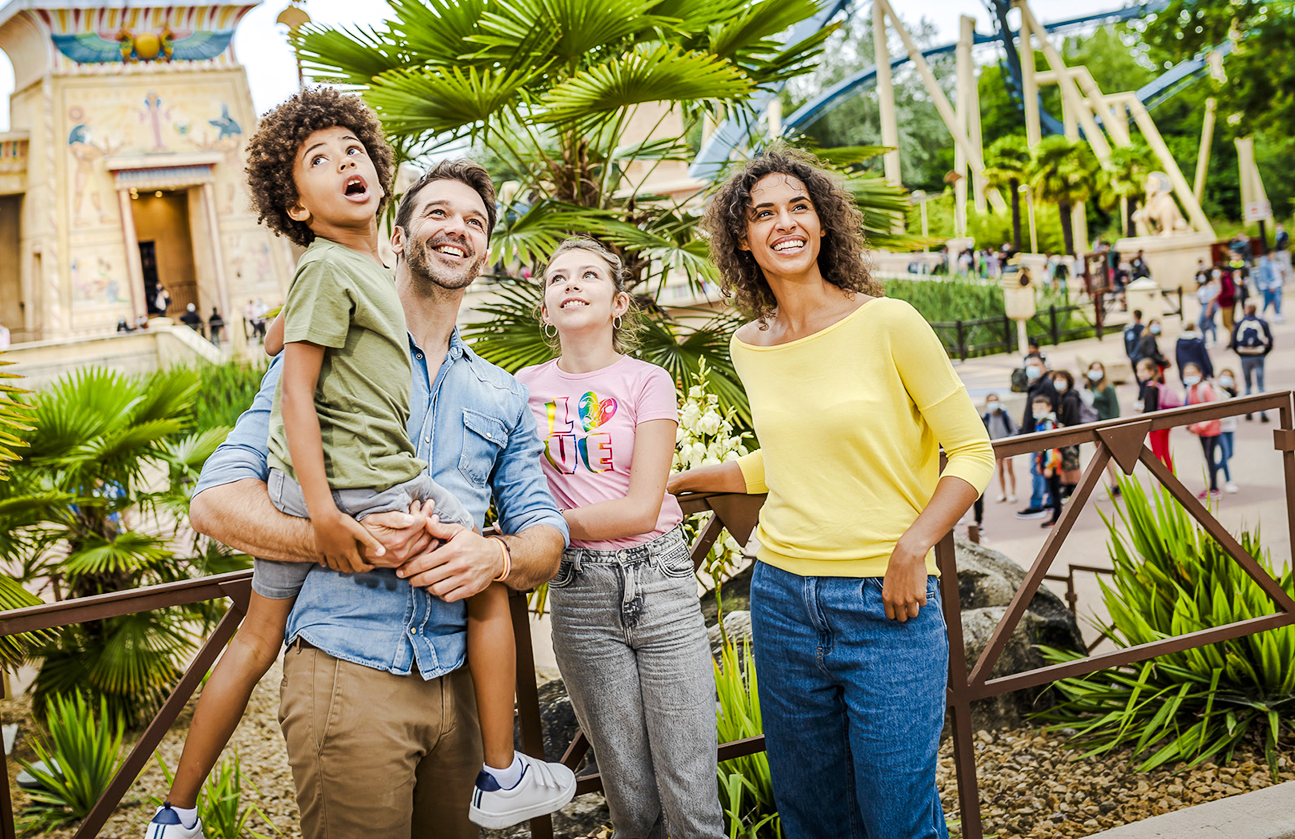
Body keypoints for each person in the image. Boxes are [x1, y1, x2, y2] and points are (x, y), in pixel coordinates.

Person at [181, 148, 572, 839]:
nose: (458, 228)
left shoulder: (504, 394)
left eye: (475, 221)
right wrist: (337, 541)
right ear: (398, 236)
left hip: (463, 683)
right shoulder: (324, 350)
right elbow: (215, 500)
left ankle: (506, 777)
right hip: (349, 669)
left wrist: (495, 558)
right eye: (439, 213)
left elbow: (544, 530)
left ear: (484, 251)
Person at [669, 148, 995, 839]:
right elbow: (792, 455)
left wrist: (915, 546)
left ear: (823, 225)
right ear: (741, 238)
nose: (783, 224)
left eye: (798, 207)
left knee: (897, 821)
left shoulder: (889, 323)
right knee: (813, 819)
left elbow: (971, 450)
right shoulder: (748, 345)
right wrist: (701, 479)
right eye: (763, 214)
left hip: (887, 603)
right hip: (783, 599)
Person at [518, 237, 721, 838]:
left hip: (659, 582)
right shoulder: (517, 389)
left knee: (692, 801)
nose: (571, 285)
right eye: (557, 278)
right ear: (546, 307)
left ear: (619, 303)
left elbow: (639, 508)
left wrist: (540, 531)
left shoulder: (647, 381)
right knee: (630, 802)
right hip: (580, 596)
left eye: (588, 276)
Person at [1016, 354, 1057, 518]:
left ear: (1044, 367)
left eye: (1035, 364)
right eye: (1029, 365)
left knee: (1037, 467)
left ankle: (1037, 504)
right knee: (1039, 468)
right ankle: (1046, 500)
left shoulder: (1046, 384)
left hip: (1041, 432)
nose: (1031, 368)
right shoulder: (1034, 384)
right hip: (1035, 431)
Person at [1183, 364, 1233, 496]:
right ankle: (1213, 485)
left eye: (1192, 373)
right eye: (1186, 374)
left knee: (1210, 457)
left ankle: (1214, 488)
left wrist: (1199, 426)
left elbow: (1213, 410)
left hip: (1212, 429)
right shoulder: (1190, 389)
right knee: (1207, 457)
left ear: (1199, 373)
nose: (1189, 376)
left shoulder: (1204, 388)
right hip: (1201, 430)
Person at [1229, 301, 1274, 422]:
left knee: (1248, 384)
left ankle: (1248, 411)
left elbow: (1233, 342)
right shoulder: (1262, 322)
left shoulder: (1239, 323)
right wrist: (1264, 353)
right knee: (1260, 385)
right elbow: (1270, 340)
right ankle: (1263, 412)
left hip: (1245, 357)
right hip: (1259, 355)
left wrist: (1240, 353)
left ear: (1246, 310)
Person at [1027, 394, 1067, 529]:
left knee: (1055, 492)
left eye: (1040, 408)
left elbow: (1051, 447)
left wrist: (1049, 465)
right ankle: (1056, 517)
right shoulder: (1041, 422)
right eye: (1035, 408)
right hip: (1045, 462)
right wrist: (1039, 463)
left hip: (1052, 463)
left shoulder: (1049, 423)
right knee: (1053, 491)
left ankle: (1057, 519)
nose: (1037, 411)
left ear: (1049, 408)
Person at [1136, 357, 1179, 472]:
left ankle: (1163, 482)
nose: (1139, 374)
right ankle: (1171, 477)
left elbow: (1149, 410)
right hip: (1164, 423)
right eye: (1138, 371)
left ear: (1151, 371)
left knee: (1157, 454)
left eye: (1142, 371)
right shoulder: (1157, 384)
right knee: (1165, 452)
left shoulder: (1150, 387)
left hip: (1156, 427)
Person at [1085, 362, 1123, 495]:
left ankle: (1116, 483)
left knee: (1108, 456)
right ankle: (1114, 482)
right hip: (1094, 426)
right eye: (1092, 369)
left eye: (1098, 369)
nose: (1095, 372)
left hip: (1106, 426)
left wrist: (1112, 426)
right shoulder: (1090, 387)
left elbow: (1115, 409)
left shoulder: (1108, 387)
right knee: (1104, 457)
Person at [981, 394, 1017, 509]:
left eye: (995, 400)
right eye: (990, 401)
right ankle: (1003, 493)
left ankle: (1012, 492)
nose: (993, 403)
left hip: (1007, 445)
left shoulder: (1005, 415)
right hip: (995, 446)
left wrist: (1009, 441)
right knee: (1000, 469)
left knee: (1009, 468)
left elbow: (1014, 429)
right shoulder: (986, 417)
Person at [1218, 367, 1241, 481]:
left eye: (1229, 377)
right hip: (1220, 428)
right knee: (1225, 455)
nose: (1226, 379)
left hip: (1231, 427)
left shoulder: (1233, 393)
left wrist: (1235, 391)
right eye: (1224, 376)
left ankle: (1214, 469)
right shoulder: (1216, 391)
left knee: (1230, 454)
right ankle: (1228, 480)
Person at [1254, 253, 1284, 322]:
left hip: (1276, 284)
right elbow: (1264, 277)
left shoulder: (1274, 262)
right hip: (1267, 286)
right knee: (1267, 301)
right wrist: (1270, 285)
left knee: (1277, 300)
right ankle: (1263, 314)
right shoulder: (1264, 264)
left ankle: (1277, 314)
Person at [1122, 310, 1148, 383]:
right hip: (1138, 356)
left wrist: (1130, 355)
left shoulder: (1131, 330)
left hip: (1137, 356)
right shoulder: (1143, 329)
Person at [1196, 271, 1220, 344]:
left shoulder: (1210, 285)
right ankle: (1206, 339)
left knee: (1206, 322)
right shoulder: (1202, 286)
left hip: (1208, 306)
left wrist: (1209, 310)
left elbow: (1211, 299)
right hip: (1204, 305)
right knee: (1207, 323)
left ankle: (1213, 340)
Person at [1218, 265, 1238, 334]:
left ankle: (1232, 340)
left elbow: (1231, 292)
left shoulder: (1227, 280)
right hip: (1224, 303)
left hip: (1228, 304)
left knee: (1229, 323)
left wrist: (1220, 296)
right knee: (1225, 323)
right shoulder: (1222, 279)